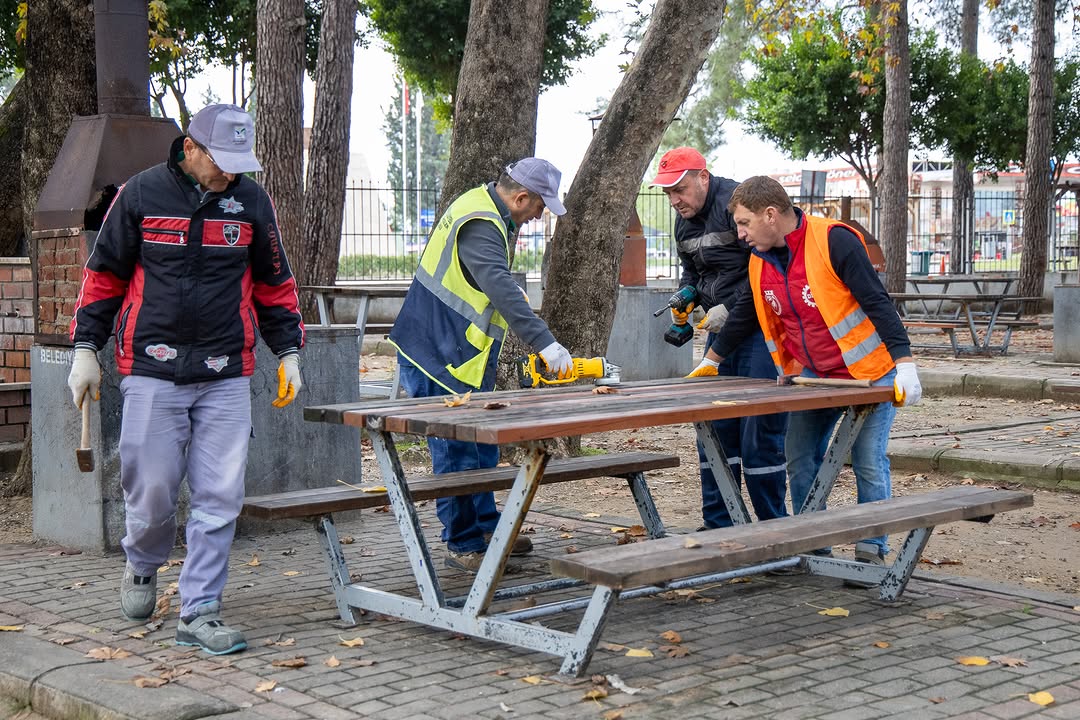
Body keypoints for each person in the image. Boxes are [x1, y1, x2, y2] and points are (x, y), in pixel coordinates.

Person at [67, 104, 304, 654]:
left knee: (220, 496)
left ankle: (200, 609)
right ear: (190, 148)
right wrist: (85, 349)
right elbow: (102, 277)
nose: (230, 174)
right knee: (150, 493)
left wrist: (288, 350)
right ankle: (143, 563)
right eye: (223, 162)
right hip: (153, 368)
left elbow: (274, 284)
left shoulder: (251, 202)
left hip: (226, 372)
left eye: (240, 164)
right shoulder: (141, 195)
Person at [690, 175, 922, 584]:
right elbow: (747, 309)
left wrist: (904, 363)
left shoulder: (834, 241)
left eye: (744, 223)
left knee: (867, 460)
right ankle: (814, 541)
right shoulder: (761, 257)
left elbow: (877, 302)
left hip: (869, 372)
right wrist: (712, 358)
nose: (740, 234)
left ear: (770, 214)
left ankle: (872, 549)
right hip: (815, 376)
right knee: (800, 456)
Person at [388, 158, 574, 573]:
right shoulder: (482, 222)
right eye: (540, 206)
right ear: (521, 196)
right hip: (436, 353)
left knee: (479, 447)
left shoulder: (483, 209)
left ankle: (487, 528)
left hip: (455, 353)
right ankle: (463, 542)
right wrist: (546, 342)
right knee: (455, 451)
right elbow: (498, 285)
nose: (540, 215)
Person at [651, 147, 788, 529]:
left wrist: (728, 308)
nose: (675, 200)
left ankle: (772, 528)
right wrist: (688, 295)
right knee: (713, 429)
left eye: (680, 189)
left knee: (759, 433)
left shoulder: (736, 206)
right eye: (668, 193)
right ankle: (719, 523)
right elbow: (692, 271)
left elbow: (764, 271)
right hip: (719, 338)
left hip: (760, 335)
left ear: (703, 178)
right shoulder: (684, 223)